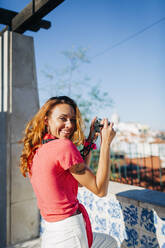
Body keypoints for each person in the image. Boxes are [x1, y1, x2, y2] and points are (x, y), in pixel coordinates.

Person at [19, 96, 116, 248]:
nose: (69, 125)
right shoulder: (63, 146)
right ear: (46, 120)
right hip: (69, 234)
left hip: (52, 232)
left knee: (108, 242)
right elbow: (100, 189)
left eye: (72, 119)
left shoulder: (38, 148)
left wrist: (90, 140)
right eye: (62, 119)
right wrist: (106, 144)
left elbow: (80, 180)